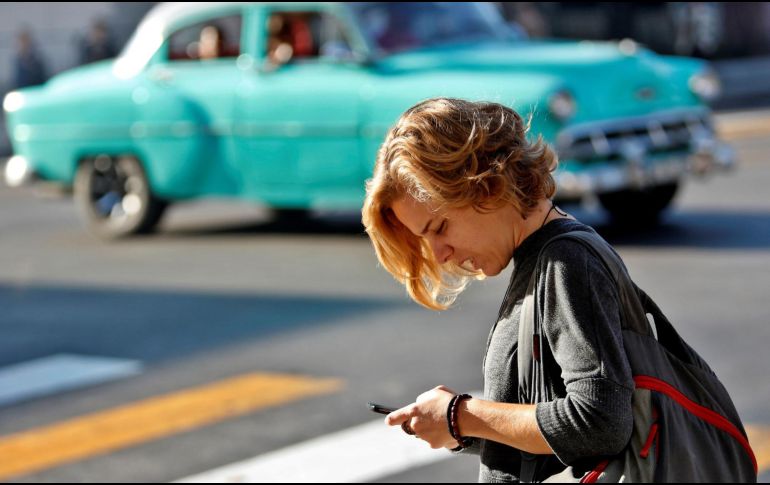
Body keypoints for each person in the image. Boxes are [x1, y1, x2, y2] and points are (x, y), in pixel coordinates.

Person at [361, 98, 635, 482]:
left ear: (488, 186)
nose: (439, 256)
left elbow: (600, 422)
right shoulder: (542, 259)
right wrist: (459, 428)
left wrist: (462, 414)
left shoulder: (566, 261)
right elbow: (549, 429)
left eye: (439, 228)